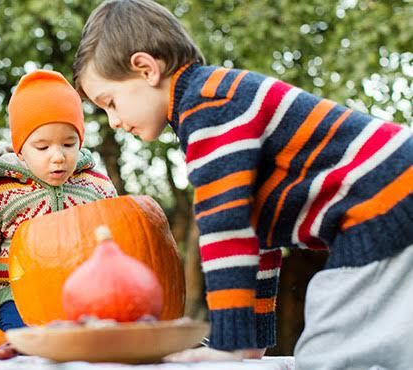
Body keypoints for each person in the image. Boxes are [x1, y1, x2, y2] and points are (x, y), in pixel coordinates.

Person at [72, 1, 413, 368]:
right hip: (391, 200)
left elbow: (226, 230)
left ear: (145, 69)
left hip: (384, 202)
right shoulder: (212, 104)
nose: (114, 121)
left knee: (329, 357)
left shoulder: (210, 107)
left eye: (111, 103)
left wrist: (227, 344)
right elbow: (257, 235)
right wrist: (250, 344)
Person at [0, 69, 118, 330]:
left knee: (96, 342)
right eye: (42, 147)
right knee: (20, 338)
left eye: (69, 144)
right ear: (20, 151)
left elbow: (118, 235)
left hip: (85, 291)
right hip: (17, 293)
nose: (58, 156)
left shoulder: (96, 186)